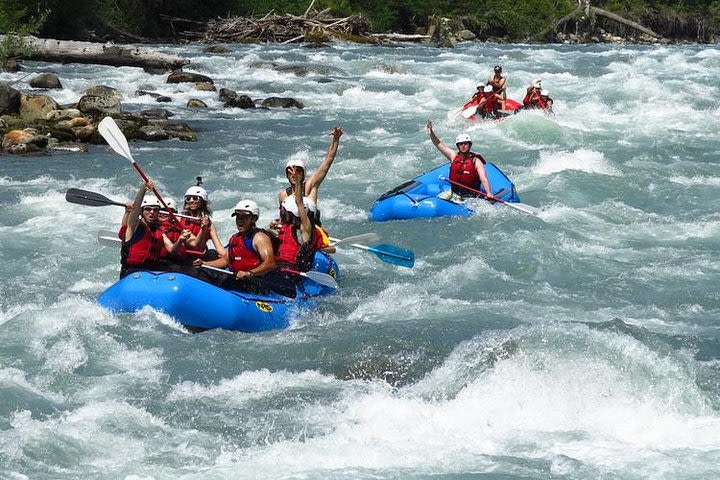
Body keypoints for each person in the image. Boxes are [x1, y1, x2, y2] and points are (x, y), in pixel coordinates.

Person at [194, 200, 296, 297]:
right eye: (238, 217)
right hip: (238, 278)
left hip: (256, 281)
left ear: (254, 219)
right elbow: (225, 260)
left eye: (244, 217)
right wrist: (204, 264)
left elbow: (270, 263)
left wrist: (250, 273)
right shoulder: (234, 238)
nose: (239, 221)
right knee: (203, 272)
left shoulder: (259, 237)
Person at [275, 127, 344, 227]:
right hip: (292, 232)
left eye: (298, 171)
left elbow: (328, 160)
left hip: (310, 231)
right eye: (290, 171)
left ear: (303, 174)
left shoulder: (310, 186)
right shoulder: (283, 195)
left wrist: (336, 139)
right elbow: (284, 217)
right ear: (287, 175)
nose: (294, 174)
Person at [119, 182, 182, 279]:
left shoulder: (159, 231)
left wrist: (181, 239)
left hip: (152, 273)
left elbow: (172, 249)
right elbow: (135, 210)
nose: (152, 212)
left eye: (155, 210)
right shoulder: (135, 226)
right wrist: (143, 189)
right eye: (148, 209)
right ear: (142, 211)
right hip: (132, 272)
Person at [426, 120, 495, 202]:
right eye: (461, 144)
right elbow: (439, 144)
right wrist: (431, 133)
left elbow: (483, 178)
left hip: (471, 197)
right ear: (458, 146)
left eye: (466, 143)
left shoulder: (476, 161)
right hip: (455, 194)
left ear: (470, 145)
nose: (463, 146)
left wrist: (489, 193)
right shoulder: (453, 156)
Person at [276, 181, 325, 274]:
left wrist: (298, 182)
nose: (283, 213)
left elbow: (299, 203)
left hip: (294, 271)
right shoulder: (289, 227)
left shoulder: (305, 227)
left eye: (286, 210)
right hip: (281, 267)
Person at [181, 178, 224, 260]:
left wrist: (227, 257)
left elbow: (219, 247)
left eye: (195, 198)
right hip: (184, 257)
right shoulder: (180, 219)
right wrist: (202, 229)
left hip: (199, 257)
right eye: (188, 198)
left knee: (213, 253)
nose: (191, 201)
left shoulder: (210, 225)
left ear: (203, 201)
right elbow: (194, 244)